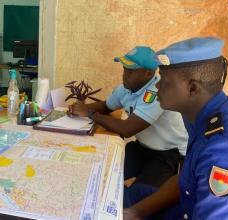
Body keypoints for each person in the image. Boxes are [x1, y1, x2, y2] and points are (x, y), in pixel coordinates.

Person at [123, 37, 228, 219]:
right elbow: (188, 177)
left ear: (193, 88)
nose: (156, 85)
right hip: (189, 205)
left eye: (164, 79)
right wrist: (135, 213)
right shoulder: (202, 114)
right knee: (131, 195)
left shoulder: (226, 152)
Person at [68, 46, 188, 188]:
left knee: (139, 196)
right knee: (102, 172)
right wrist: (79, 108)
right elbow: (106, 106)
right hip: (143, 147)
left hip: (168, 154)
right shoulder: (126, 88)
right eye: (124, 69)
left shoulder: (156, 92)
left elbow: (127, 129)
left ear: (148, 73)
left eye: (130, 71)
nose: (125, 75)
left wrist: (89, 113)